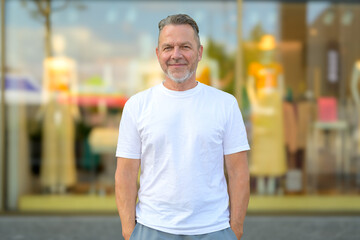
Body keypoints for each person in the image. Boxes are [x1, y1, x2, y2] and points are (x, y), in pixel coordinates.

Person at [115, 14, 250, 240]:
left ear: (199, 52)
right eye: (168, 47)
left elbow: (239, 172)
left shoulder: (225, 104)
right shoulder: (137, 106)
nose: (176, 55)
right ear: (158, 54)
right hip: (151, 229)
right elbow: (126, 173)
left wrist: (234, 229)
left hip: (214, 229)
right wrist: (130, 232)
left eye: (185, 47)